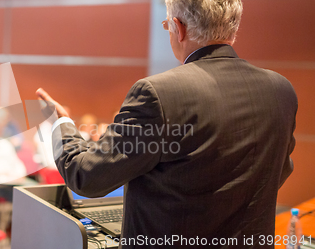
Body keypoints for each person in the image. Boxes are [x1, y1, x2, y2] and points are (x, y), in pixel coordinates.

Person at [36, 0, 297, 248]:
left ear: (178, 27)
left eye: (166, 27)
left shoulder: (158, 93)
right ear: (234, 28)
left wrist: (62, 124)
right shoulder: (281, 91)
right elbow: (278, 171)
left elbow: (85, 177)